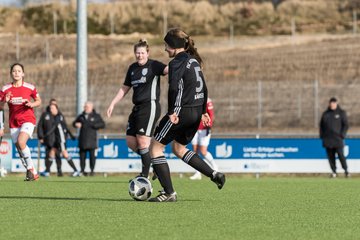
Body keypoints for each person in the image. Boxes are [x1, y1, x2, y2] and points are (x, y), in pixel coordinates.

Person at [148, 28, 226, 202]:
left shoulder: (176, 63)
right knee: (179, 148)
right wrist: (204, 111)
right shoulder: (194, 61)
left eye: (166, 45)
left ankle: (169, 193)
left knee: (155, 148)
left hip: (181, 112)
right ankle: (214, 174)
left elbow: (174, 87)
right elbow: (204, 87)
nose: (165, 49)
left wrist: (172, 112)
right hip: (196, 112)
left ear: (174, 46)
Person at [107, 39, 168, 179]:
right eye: (137, 53)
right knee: (131, 141)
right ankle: (155, 163)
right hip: (137, 108)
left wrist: (180, 66)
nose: (139, 55)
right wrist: (112, 103)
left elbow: (167, 70)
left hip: (150, 106)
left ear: (147, 53)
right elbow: (124, 88)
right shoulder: (132, 68)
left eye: (142, 53)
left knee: (142, 141)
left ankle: (144, 176)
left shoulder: (154, 65)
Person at [0, 63, 42, 181]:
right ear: (11, 74)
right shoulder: (5, 89)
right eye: (14, 71)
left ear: (23, 73)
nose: (16, 73)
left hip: (28, 119)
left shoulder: (30, 87)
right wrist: (5, 101)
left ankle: (31, 169)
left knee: (21, 141)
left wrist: (32, 104)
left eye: (19, 71)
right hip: (14, 122)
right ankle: (32, 173)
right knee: (19, 147)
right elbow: (0, 107)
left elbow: (38, 101)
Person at [38, 102, 80, 177]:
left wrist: (46, 135)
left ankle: (76, 171)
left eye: (53, 108)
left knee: (64, 153)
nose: (51, 110)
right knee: (52, 152)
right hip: (56, 139)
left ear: (56, 109)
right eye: (50, 108)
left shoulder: (59, 116)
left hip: (61, 139)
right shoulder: (53, 116)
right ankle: (47, 171)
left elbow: (55, 127)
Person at [320, 97, 350, 178]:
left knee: (341, 155)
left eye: (333, 103)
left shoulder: (341, 113)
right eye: (331, 103)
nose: (332, 104)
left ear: (336, 103)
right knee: (330, 157)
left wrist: (342, 135)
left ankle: (346, 171)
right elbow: (321, 126)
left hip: (338, 139)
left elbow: (346, 125)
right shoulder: (326, 114)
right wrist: (322, 136)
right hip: (328, 139)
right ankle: (334, 172)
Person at [73, 101, 105, 176]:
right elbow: (74, 123)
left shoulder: (96, 116)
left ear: (91, 107)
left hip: (92, 140)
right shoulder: (81, 116)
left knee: (92, 157)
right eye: (84, 106)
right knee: (82, 157)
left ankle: (92, 171)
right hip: (82, 140)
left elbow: (102, 124)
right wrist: (76, 124)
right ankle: (82, 171)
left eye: (87, 107)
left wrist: (94, 125)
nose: (85, 108)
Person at [190, 97, 218, 180]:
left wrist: (209, 126)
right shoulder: (192, 98)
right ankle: (197, 172)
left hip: (204, 129)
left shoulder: (207, 101)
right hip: (194, 128)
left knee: (203, 151)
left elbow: (211, 115)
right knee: (195, 151)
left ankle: (215, 167)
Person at [37, 98, 63, 176]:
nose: (52, 107)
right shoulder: (45, 115)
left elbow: (63, 127)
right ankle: (47, 170)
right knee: (47, 154)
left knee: (58, 155)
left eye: (54, 105)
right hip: (48, 139)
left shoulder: (59, 115)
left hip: (57, 139)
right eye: (51, 105)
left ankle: (59, 170)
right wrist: (40, 136)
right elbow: (40, 126)